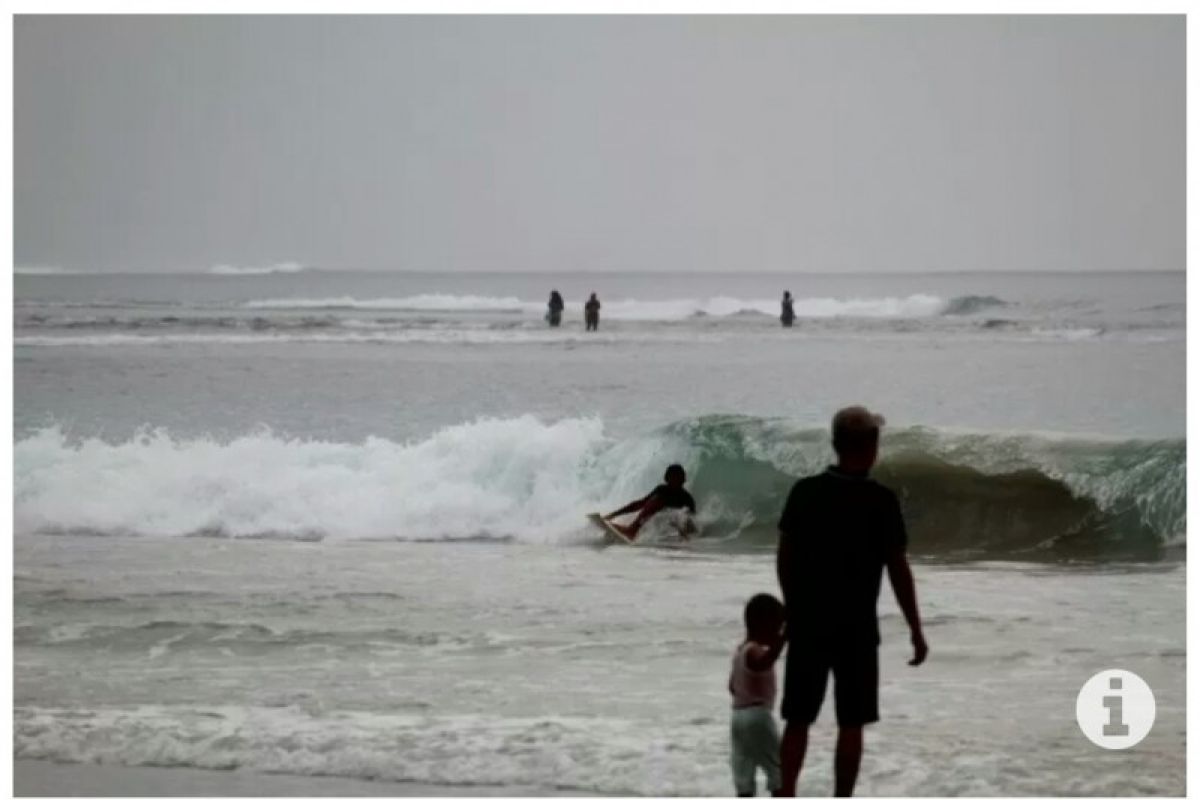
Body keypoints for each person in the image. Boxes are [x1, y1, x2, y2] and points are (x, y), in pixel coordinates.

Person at [775, 406, 927, 797]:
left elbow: (785, 557)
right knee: (851, 723)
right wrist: (915, 628)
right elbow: (898, 569)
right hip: (857, 629)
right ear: (872, 447)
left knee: (797, 720)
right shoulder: (880, 501)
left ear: (835, 444)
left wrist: (791, 608)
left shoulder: (806, 492)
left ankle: (786, 792)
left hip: (808, 622)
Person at [729, 593, 788, 797]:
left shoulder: (739, 652)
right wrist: (782, 641)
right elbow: (763, 662)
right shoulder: (753, 650)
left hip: (737, 717)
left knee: (743, 767)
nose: (777, 632)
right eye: (777, 627)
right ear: (763, 624)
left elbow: (732, 686)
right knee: (777, 767)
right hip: (758, 716)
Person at [605, 463, 696, 540]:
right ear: (667, 478)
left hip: (674, 532)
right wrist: (613, 515)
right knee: (655, 501)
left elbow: (690, 522)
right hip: (659, 526)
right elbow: (640, 504)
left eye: (677, 478)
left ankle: (632, 531)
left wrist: (686, 539)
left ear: (682, 480)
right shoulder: (662, 490)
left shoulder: (686, 499)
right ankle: (632, 531)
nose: (674, 481)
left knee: (679, 515)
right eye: (672, 477)